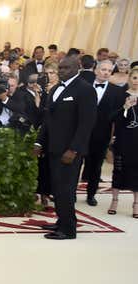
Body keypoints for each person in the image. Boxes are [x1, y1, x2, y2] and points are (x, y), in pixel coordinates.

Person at [35, 55, 97, 240]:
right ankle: (61, 221)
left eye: (66, 68)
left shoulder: (85, 90)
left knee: (66, 189)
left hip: (70, 151)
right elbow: (48, 120)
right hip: (53, 147)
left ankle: (68, 229)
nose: (61, 71)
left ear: (77, 68)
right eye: (60, 68)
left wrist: (74, 149)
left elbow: (86, 123)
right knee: (57, 188)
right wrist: (40, 142)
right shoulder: (55, 89)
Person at [82, 60, 125, 206]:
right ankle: (69, 193)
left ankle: (91, 194)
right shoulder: (84, 87)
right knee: (75, 164)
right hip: (81, 132)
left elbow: (118, 116)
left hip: (102, 134)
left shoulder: (117, 91)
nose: (106, 72)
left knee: (96, 166)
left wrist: (114, 136)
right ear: (96, 70)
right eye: (103, 69)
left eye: (109, 70)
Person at [107, 67, 138, 218]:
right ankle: (114, 200)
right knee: (118, 170)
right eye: (134, 78)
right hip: (123, 138)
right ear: (129, 79)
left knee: (136, 172)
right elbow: (112, 118)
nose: (137, 81)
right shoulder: (120, 95)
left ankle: (136, 204)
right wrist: (125, 107)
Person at [36, 62, 60, 208]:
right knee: (42, 163)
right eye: (47, 73)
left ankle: (52, 192)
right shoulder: (43, 90)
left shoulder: (60, 89)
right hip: (44, 129)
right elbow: (41, 112)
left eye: (52, 73)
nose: (49, 76)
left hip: (57, 131)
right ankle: (42, 192)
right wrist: (38, 99)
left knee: (54, 163)